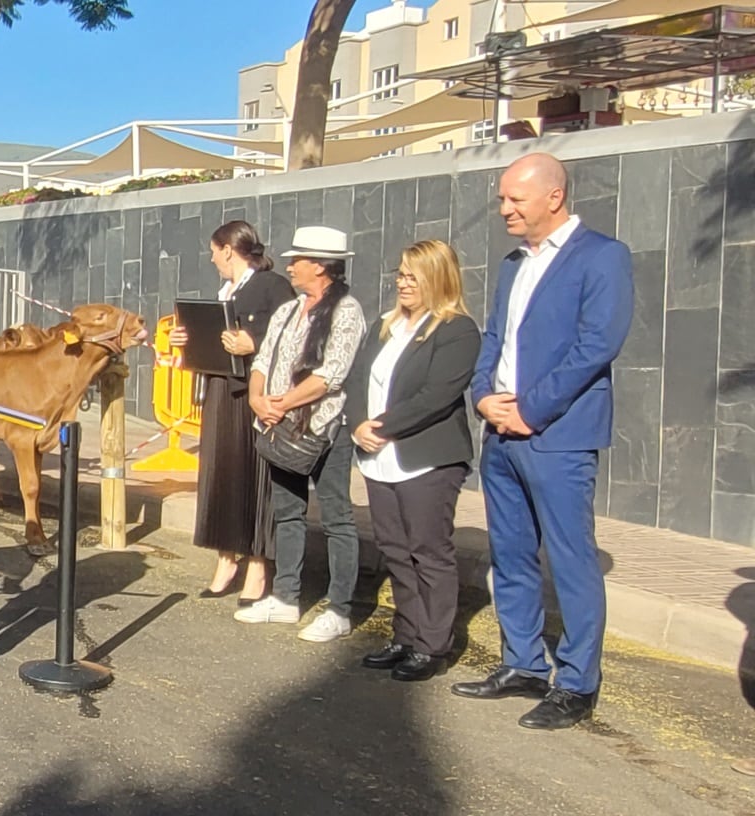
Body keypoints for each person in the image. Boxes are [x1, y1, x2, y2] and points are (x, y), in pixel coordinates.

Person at [455, 152, 632, 730]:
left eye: (514, 199)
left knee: (571, 559)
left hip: (556, 436)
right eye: (503, 198)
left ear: (553, 197)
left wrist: (530, 410)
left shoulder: (602, 258)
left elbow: (596, 345)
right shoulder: (514, 263)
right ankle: (523, 662)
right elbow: (495, 338)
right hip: (500, 433)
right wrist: (483, 396)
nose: (504, 209)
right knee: (509, 554)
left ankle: (577, 683)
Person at [344, 239, 479, 682]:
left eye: (412, 276)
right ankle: (406, 634)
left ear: (437, 278)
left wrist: (381, 426)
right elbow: (360, 378)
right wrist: (358, 423)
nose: (402, 283)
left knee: (428, 551)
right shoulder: (386, 325)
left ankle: (433, 644)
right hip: (379, 459)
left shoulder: (456, 330)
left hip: (425, 459)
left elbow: (437, 396)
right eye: (400, 274)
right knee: (395, 551)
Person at [237, 225, 367, 643]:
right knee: (287, 510)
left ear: (322, 266)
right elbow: (262, 358)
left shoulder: (347, 312)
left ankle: (339, 608)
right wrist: (259, 398)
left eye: (299, 260)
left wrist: (284, 402)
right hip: (280, 425)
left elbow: (332, 374)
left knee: (336, 517)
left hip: (325, 427)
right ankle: (286, 596)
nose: (291, 267)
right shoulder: (288, 310)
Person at [169, 221, 293, 602]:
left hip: (253, 393)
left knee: (252, 477)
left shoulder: (273, 286)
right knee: (221, 471)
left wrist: (251, 344)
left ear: (228, 249)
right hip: (221, 389)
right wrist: (185, 340)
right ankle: (226, 556)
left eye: (213, 250)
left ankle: (257, 563)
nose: (211, 258)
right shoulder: (225, 291)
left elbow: (288, 338)